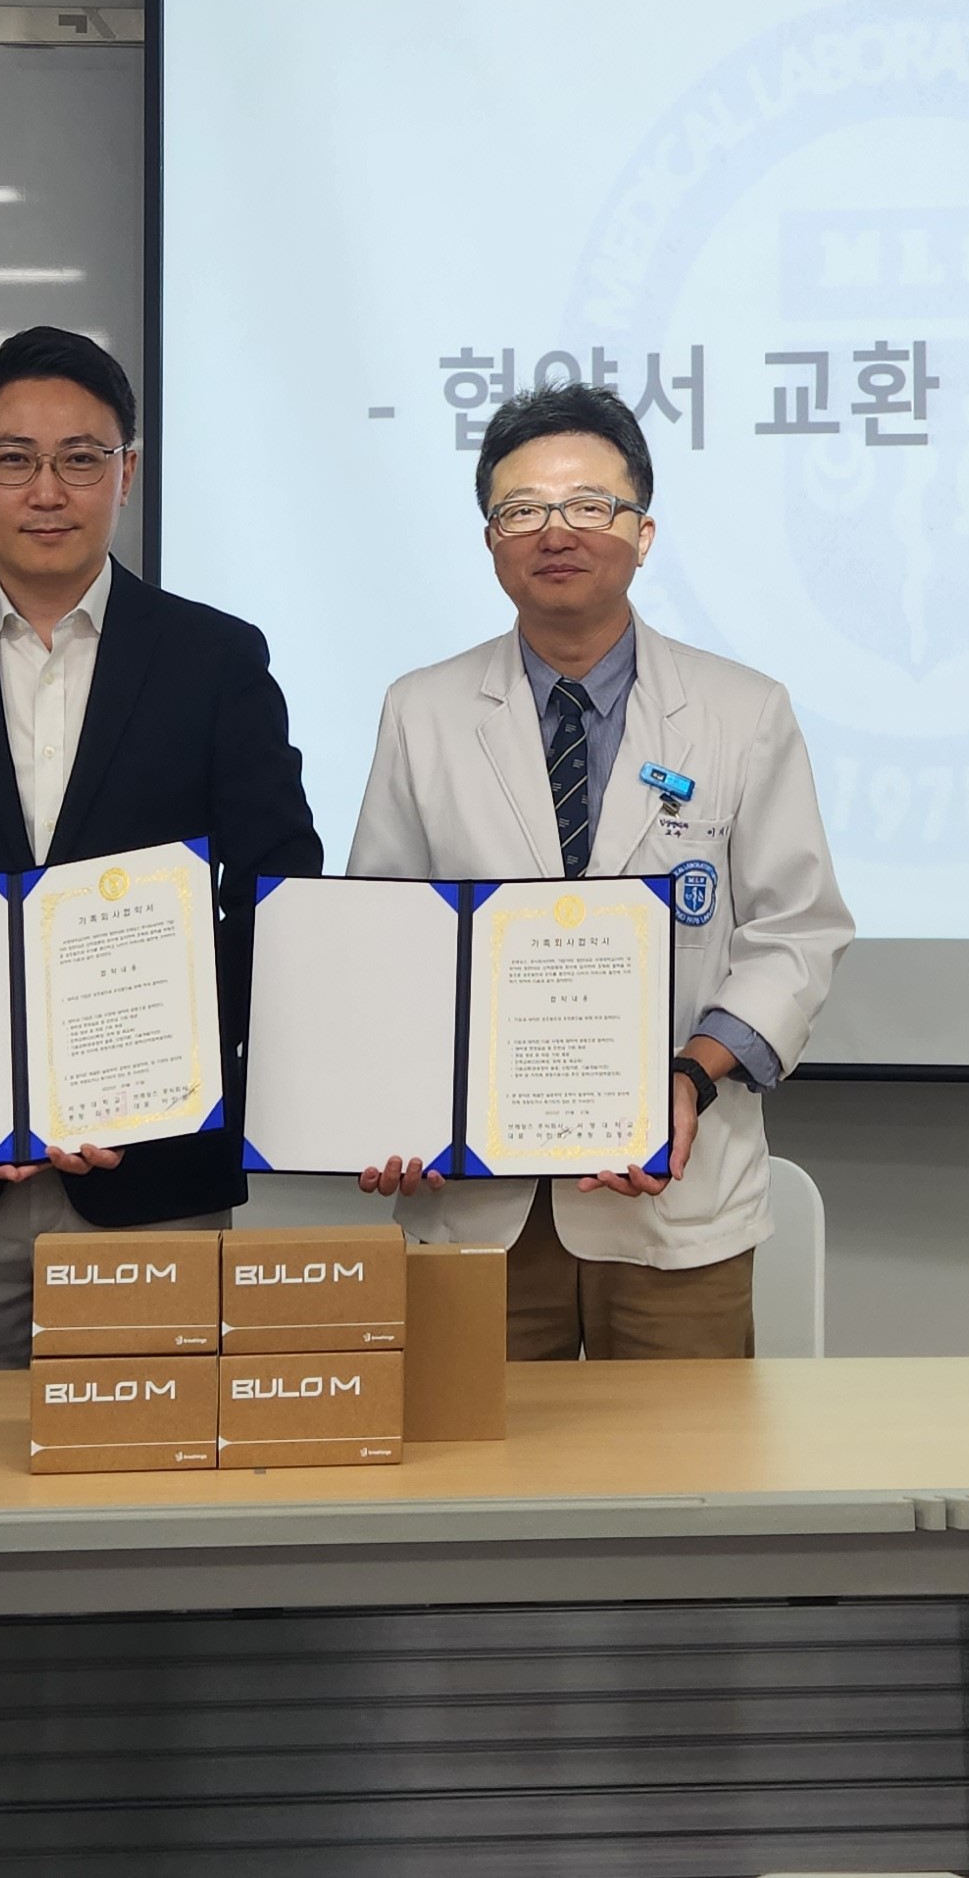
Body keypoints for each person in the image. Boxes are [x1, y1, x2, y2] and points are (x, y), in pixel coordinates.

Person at [0, 325, 318, 1369]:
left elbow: (277, 894)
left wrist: (170, 1072)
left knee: (154, 1453)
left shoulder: (214, 658)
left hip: (152, 1166)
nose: (48, 490)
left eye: (81, 458)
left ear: (125, 472)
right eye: (15, 459)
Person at [351, 383, 851, 1358]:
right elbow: (382, 939)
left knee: (683, 1455)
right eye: (522, 509)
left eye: (590, 505)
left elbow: (795, 932)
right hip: (477, 1202)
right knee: (471, 1454)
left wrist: (688, 1077)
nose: (556, 531)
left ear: (642, 532)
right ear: (490, 540)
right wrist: (387, 1104)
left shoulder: (741, 711)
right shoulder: (422, 711)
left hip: (670, 1194)